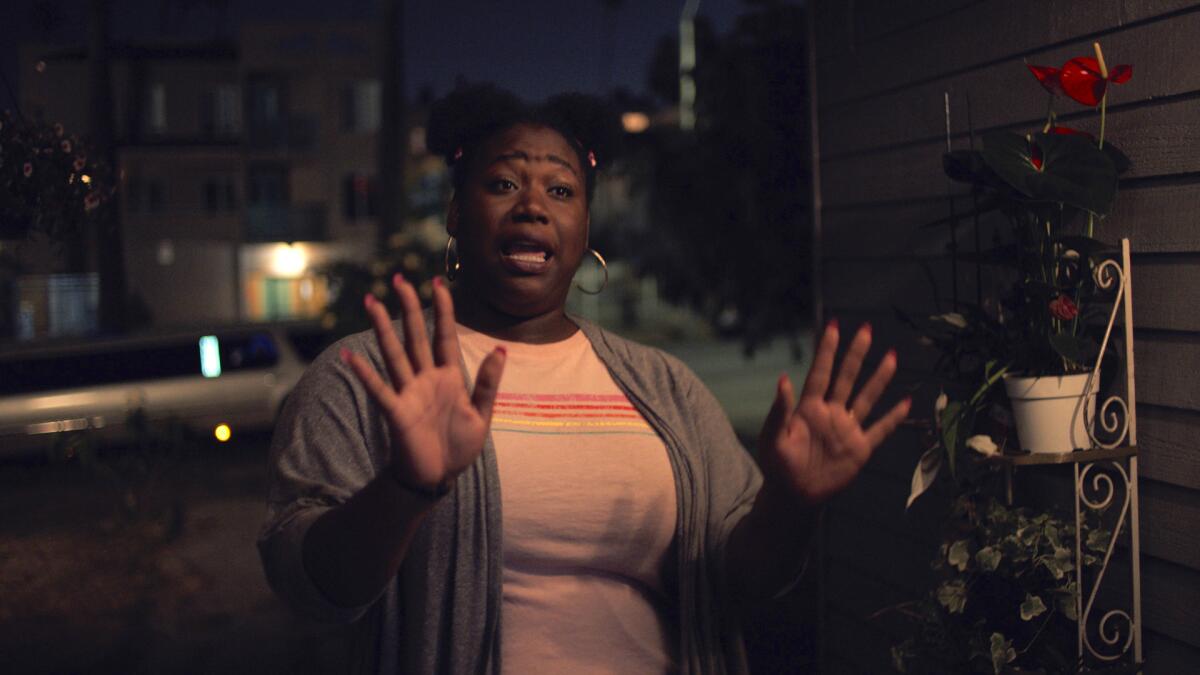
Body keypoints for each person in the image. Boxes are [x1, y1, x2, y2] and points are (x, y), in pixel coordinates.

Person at [258, 85, 911, 674]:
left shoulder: (666, 388)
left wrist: (792, 502)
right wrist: (405, 487)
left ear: (584, 228)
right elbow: (310, 586)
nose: (534, 207)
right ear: (456, 213)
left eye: (561, 190)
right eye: (504, 184)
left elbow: (742, 582)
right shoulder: (367, 376)